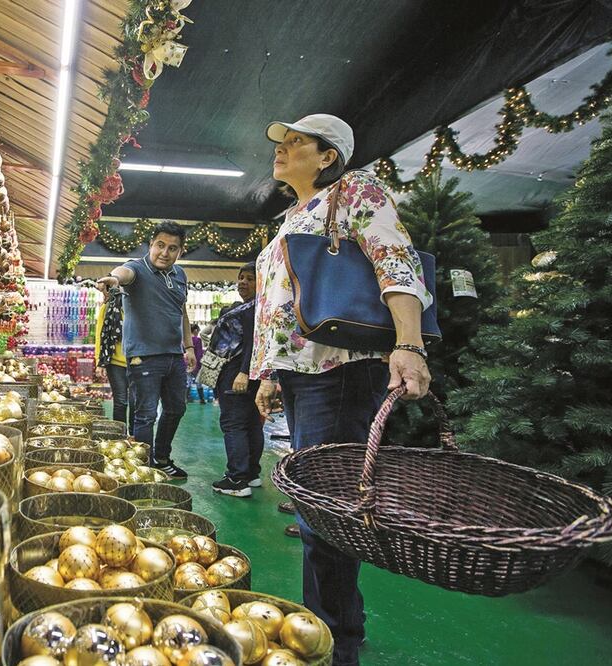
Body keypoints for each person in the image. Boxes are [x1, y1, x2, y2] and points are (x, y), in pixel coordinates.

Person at [251, 114, 432, 666]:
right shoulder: (293, 215)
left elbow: (395, 260)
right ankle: (327, 625)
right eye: (280, 143)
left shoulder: (356, 191)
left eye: (295, 142)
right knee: (315, 503)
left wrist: (410, 344)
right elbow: (278, 304)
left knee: (325, 510)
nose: (281, 151)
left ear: (328, 156)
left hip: (344, 371)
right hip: (305, 374)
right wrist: (268, 373)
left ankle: (335, 640)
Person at [96, 221, 197, 478]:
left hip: (175, 357)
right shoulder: (137, 269)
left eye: (172, 248)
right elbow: (123, 273)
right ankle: (142, 468)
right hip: (144, 357)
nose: (165, 252)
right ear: (151, 245)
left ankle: (161, 458)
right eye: (160, 245)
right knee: (146, 415)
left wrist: (189, 346)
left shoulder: (180, 275)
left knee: (176, 409)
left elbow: (182, 312)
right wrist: (114, 279)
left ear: (180, 251)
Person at [209, 262, 263, 497]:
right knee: (251, 423)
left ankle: (237, 479)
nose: (243, 282)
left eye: (250, 278)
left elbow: (252, 343)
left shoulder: (250, 311)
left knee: (234, 424)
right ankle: (251, 473)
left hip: (237, 374)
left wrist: (243, 372)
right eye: (241, 277)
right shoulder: (258, 309)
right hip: (253, 375)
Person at [94, 287, 129, 427]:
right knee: (121, 401)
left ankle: (134, 437)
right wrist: (99, 361)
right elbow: (99, 335)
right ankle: (119, 435)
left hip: (138, 361)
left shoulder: (140, 307)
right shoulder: (107, 307)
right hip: (115, 362)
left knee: (136, 402)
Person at [187, 324, 206, 404]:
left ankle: (185, 399)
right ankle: (202, 399)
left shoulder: (185, 340)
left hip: (186, 363)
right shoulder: (197, 340)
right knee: (199, 382)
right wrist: (200, 364)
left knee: (188, 382)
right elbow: (199, 353)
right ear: (195, 331)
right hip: (196, 364)